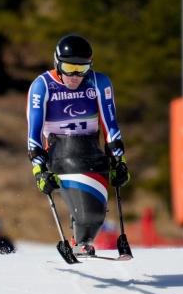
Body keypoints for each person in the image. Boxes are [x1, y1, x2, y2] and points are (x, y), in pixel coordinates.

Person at [26, 34, 130, 256]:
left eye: (81, 69)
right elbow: (33, 135)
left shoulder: (99, 83)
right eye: (69, 68)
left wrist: (119, 161)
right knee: (86, 210)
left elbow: (110, 126)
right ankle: (81, 240)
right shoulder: (42, 86)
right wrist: (39, 169)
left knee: (95, 214)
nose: (74, 76)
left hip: (91, 151)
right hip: (59, 152)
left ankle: (80, 240)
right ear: (57, 63)